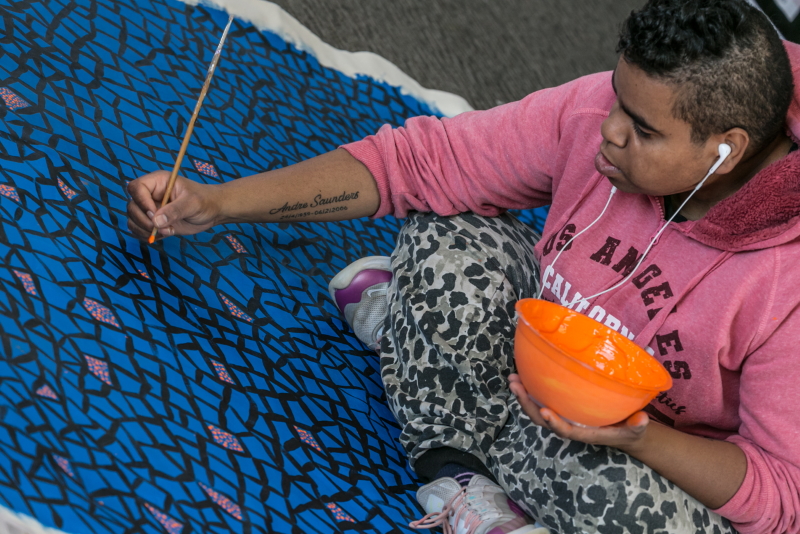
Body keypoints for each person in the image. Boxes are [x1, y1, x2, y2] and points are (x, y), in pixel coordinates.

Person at [126, 0, 800, 532]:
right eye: (617, 102)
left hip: (637, 443)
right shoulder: (612, 106)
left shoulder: (787, 283)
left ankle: (421, 345)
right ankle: (460, 469)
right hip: (532, 355)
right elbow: (419, 166)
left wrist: (640, 439)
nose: (609, 130)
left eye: (642, 131)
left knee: (638, 509)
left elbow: (779, 497)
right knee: (449, 225)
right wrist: (216, 203)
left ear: (726, 151)